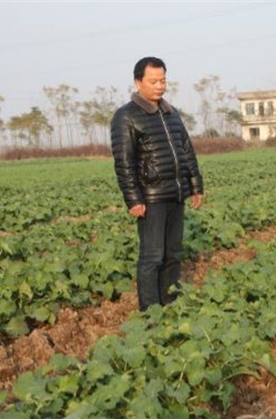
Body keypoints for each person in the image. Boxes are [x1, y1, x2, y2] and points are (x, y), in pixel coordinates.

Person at [111, 56, 204, 311]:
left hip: (175, 194)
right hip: (151, 198)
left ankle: (170, 303)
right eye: (153, 81)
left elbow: (187, 150)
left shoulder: (170, 113)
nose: (160, 86)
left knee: (173, 254)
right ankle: (150, 312)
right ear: (138, 82)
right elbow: (124, 162)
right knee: (152, 256)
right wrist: (134, 199)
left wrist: (195, 185)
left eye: (163, 80)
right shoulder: (126, 116)